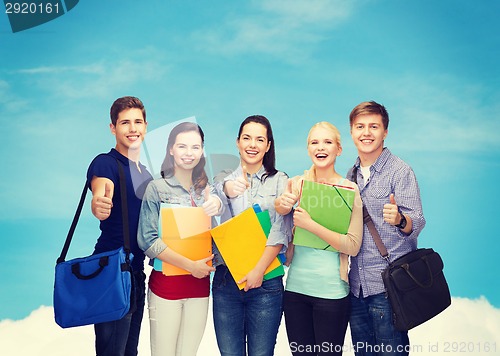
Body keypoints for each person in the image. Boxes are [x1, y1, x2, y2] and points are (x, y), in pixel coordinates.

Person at [274, 121, 363, 356]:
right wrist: (281, 205)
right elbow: (280, 213)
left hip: (332, 295)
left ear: (339, 149)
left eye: (327, 142)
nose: (320, 147)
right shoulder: (295, 184)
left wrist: (311, 226)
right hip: (295, 292)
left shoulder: (349, 190)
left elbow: (353, 246)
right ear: (308, 149)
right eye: (314, 142)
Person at [347, 101, 426, 356]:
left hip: (388, 289)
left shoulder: (400, 171)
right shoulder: (350, 175)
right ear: (351, 132)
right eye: (360, 126)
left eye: (373, 126)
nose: (366, 133)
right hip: (357, 288)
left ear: (385, 132)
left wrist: (401, 219)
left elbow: (417, 221)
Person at [137, 122, 222, 356]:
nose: (189, 153)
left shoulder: (208, 191)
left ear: (202, 151)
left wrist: (218, 204)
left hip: (200, 288)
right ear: (171, 149)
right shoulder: (156, 188)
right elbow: (148, 240)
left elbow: (220, 236)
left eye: (195, 147)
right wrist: (190, 266)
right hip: (166, 287)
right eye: (182, 146)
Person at [212, 115, 292, 356]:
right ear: (237, 142)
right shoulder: (222, 178)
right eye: (246, 138)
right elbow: (215, 195)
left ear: (268, 145)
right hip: (226, 281)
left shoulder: (281, 181)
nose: (252, 145)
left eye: (260, 139)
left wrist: (258, 270)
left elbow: (281, 230)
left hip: (266, 283)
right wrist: (227, 189)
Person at [86, 96, 153, 356]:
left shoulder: (146, 174)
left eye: (138, 122)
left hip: (136, 272)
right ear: (113, 128)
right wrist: (99, 203)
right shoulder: (105, 163)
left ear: (146, 127)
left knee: (129, 352)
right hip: (112, 271)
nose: (132, 128)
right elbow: (101, 191)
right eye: (125, 122)